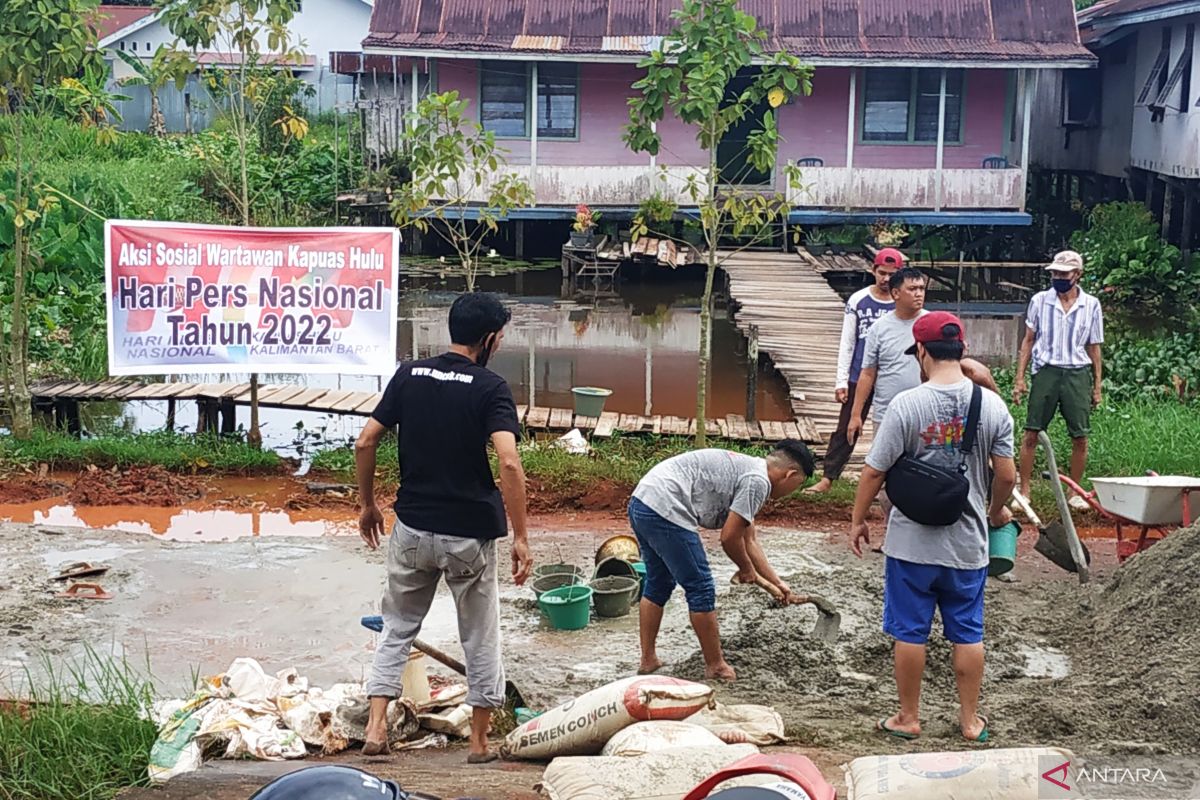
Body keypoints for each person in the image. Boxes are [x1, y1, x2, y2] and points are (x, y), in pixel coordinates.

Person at [355, 292, 533, 763]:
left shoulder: (409, 374)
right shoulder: (491, 387)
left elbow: (366, 440)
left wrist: (368, 504)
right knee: (480, 635)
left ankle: (376, 728)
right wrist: (520, 536)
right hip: (468, 534)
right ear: (490, 339)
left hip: (411, 527)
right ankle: (477, 743)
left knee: (396, 627)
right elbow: (510, 464)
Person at [849, 311, 1016, 743]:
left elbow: (874, 471)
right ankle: (969, 721)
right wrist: (995, 510)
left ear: (920, 351)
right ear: (962, 350)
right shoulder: (993, 406)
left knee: (910, 631)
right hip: (967, 546)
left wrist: (857, 519)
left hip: (911, 545)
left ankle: (908, 717)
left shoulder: (906, 405)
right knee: (968, 632)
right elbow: (1008, 475)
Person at [629, 440, 815, 681]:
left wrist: (777, 583)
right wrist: (746, 569)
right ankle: (716, 666)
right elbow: (729, 538)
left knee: (659, 582)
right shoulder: (758, 482)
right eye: (797, 485)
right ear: (790, 475)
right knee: (701, 587)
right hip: (666, 505)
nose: (793, 491)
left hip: (643, 501)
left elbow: (750, 542)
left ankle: (648, 660)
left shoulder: (750, 471)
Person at [1012, 250, 1104, 511]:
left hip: (1077, 372)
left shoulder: (1091, 305)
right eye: (1054, 273)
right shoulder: (1040, 301)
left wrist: (1097, 386)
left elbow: (1094, 346)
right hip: (1047, 370)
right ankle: (1025, 490)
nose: (1058, 278)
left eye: (1063, 274)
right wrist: (1020, 378)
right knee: (1032, 431)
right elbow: (1028, 339)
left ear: (1077, 275)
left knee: (1080, 435)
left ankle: (1075, 491)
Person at [805, 248, 901, 495]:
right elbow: (848, 341)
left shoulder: (903, 302)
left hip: (892, 376)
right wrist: (841, 380)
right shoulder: (858, 300)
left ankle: (893, 479)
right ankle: (829, 476)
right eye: (882, 273)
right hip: (860, 374)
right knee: (847, 425)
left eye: (892, 274)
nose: (886, 279)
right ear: (873, 271)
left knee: (896, 427)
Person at [847, 267, 928, 446]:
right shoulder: (879, 328)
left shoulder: (932, 325)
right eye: (912, 289)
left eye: (921, 289)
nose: (918, 294)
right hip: (887, 412)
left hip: (925, 411)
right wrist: (855, 415)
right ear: (896, 293)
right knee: (882, 466)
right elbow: (868, 373)